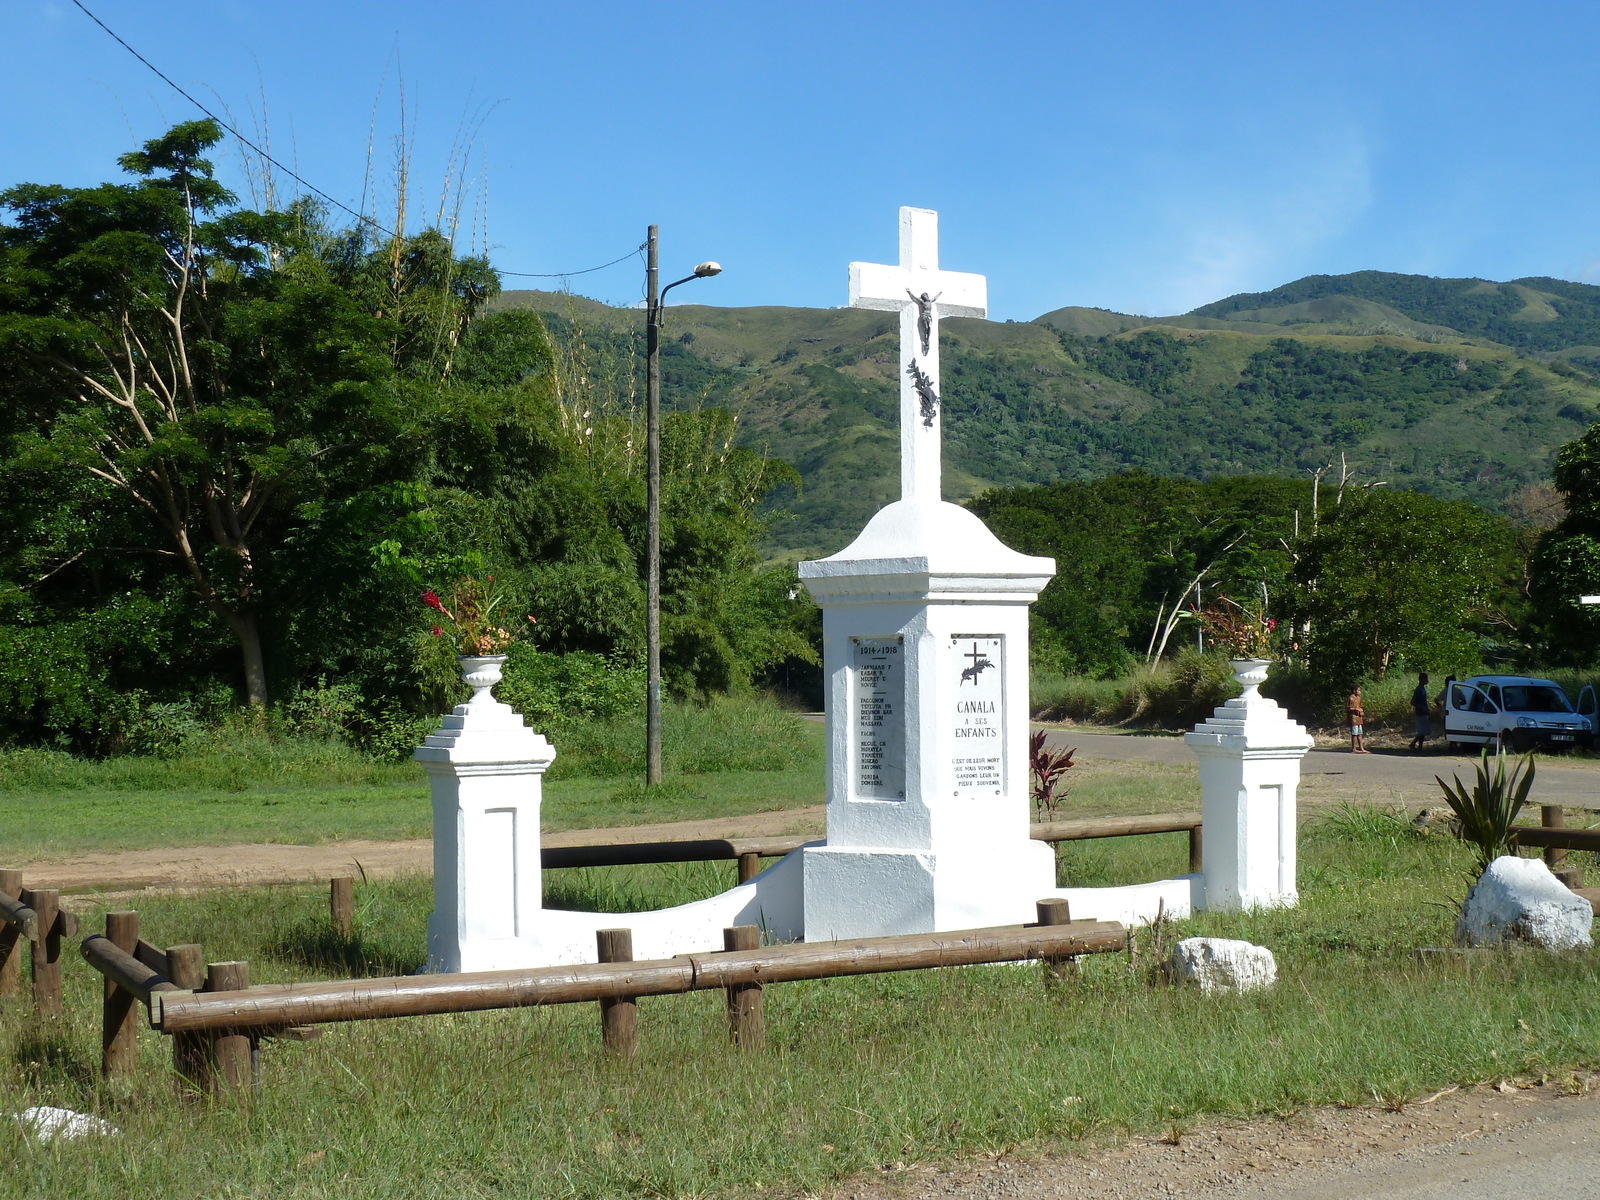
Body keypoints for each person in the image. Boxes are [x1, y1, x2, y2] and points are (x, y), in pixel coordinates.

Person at [1408, 672, 1431, 751]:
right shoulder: (1419, 690)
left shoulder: (1422, 689)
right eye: (1426, 679)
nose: (1427, 680)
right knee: (1422, 732)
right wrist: (1421, 707)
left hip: (1423, 712)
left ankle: (1419, 747)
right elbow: (1412, 702)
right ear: (1421, 679)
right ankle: (1413, 744)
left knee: (1423, 731)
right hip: (1420, 713)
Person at [1347, 685, 1369, 753]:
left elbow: (1360, 707)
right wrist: (1356, 709)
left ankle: (1361, 748)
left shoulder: (1358, 698)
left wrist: (1361, 711)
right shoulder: (1351, 698)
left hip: (1359, 718)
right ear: (1354, 691)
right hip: (1353, 718)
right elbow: (1348, 708)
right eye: (1358, 690)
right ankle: (1354, 749)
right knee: (1354, 734)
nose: (1360, 692)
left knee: (1360, 733)